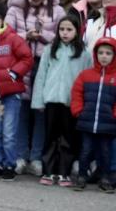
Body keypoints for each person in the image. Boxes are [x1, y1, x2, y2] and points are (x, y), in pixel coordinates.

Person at [5, 0, 66, 176]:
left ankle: (37, 158)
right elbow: (6, 34)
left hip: (45, 62)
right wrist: (25, 36)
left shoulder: (57, 10)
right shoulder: (15, 9)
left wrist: (42, 36)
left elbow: (63, 36)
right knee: (21, 109)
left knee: (40, 111)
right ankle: (20, 156)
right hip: (20, 62)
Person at [32, 15, 90, 186]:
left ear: (77, 31)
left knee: (68, 137)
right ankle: (49, 171)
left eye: (69, 30)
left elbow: (85, 80)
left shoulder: (83, 54)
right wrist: (38, 101)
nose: (65, 33)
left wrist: (82, 103)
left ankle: (64, 172)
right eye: (62, 29)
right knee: (50, 136)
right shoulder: (50, 50)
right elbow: (41, 75)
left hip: (71, 102)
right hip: (51, 100)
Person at [0, 10, 33, 181]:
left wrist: (14, 74)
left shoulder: (13, 39)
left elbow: (27, 58)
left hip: (11, 95)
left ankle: (10, 165)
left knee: (9, 132)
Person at [70, 37, 116, 193]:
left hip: (108, 123)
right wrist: (78, 110)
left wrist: (114, 115)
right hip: (87, 121)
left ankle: (105, 178)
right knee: (85, 150)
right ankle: (82, 176)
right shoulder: (86, 75)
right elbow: (76, 93)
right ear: (95, 55)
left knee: (105, 152)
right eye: (101, 53)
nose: (104, 56)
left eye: (108, 53)